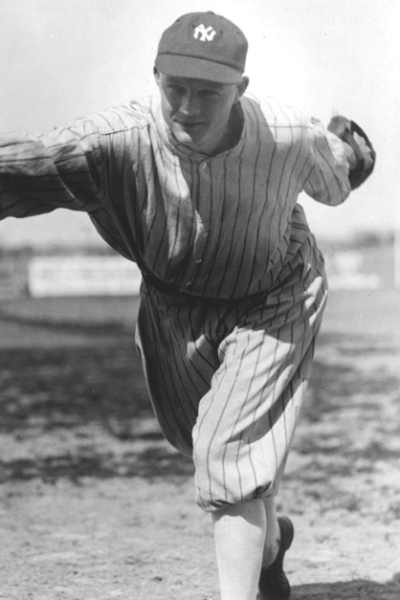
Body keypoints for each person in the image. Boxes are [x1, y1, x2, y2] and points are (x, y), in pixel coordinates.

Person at [0, 12, 375, 600]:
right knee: (200, 442)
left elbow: (341, 167)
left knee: (227, 450)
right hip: (173, 309)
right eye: (176, 87)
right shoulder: (115, 141)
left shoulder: (285, 134)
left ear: (240, 89)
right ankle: (270, 546)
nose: (188, 108)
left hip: (275, 296)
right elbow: (23, 164)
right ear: (155, 76)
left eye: (209, 92)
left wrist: (351, 152)